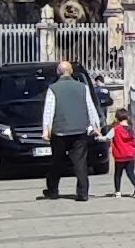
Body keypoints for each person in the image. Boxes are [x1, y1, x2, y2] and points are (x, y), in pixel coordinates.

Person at [40, 60, 102, 202]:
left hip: (60, 131)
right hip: (80, 130)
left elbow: (49, 110)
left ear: (58, 72)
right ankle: (83, 193)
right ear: (71, 72)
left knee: (57, 161)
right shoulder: (82, 87)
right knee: (80, 163)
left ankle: (53, 190)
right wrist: (95, 126)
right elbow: (90, 107)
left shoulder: (53, 88)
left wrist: (46, 130)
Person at [105, 109, 135, 197]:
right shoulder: (132, 129)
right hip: (130, 155)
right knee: (131, 173)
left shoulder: (116, 129)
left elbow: (107, 138)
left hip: (120, 156)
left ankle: (117, 192)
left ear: (117, 118)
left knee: (118, 174)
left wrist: (98, 137)